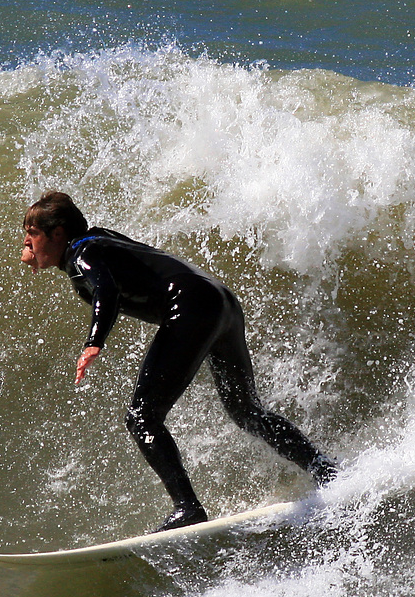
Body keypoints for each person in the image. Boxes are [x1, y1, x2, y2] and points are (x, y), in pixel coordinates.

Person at [22, 190, 337, 532]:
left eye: (32, 234)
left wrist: (93, 342)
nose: (26, 242)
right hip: (220, 302)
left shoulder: (81, 253)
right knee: (246, 410)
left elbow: (107, 292)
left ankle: (187, 508)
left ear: (57, 234)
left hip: (189, 307)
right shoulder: (98, 240)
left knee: (142, 417)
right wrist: (43, 257)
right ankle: (325, 470)